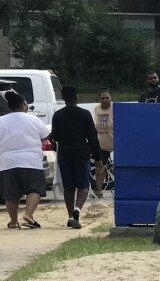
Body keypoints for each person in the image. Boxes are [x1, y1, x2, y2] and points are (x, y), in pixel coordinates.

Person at [48, 86, 100, 230]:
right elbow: (92, 136)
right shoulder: (84, 114)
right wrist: (97, 157)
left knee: (68, 186)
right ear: (76, 96)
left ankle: (70, 215)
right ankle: (77, 209)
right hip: (81, 151)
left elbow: (55, 136)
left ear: (63, 98)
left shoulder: (57, 115)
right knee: (83, 185)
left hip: (65, 151)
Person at [0, 91, 50, 229]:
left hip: (7, 162)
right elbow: (45, 136)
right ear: (23, 105)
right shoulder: (33, 119)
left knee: (10, 194)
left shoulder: (1, 120)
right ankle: (28, 214)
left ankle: (13, 221)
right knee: (35, 189)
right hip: (31, 160)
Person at [92, 90, 113, 197]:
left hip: (115, 142)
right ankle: (98, 190)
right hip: (102, 143)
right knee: (99, 166)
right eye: (102, 98)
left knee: (118, 167)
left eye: (107, 98)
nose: (105, 100)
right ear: (99, 99)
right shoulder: (97, 109)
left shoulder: (115, 108)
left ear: (111, 98)